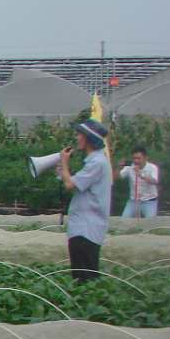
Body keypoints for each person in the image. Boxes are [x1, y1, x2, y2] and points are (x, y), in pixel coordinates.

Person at [60, 119, 112, 282]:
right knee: (82, 277)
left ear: (88, 138)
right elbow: (74, 183)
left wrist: (64, 162)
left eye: (79, 135)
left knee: (85, 279)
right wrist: (63, 170)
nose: (77, 138)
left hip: (86, 230)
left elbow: (70, 184)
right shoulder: (94, 162)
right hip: (83, 228)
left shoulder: (97, 163)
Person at [117, 146, 160, 219]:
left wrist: (141, 175)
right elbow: (118, 177)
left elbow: (154, 181)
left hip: (149, 201)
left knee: (150, 223)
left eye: (138, 158)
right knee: (124, 221)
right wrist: (118, 167)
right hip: (133, 201)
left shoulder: (152, 167)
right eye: (134, 158)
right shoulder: (129, 167)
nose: (136, 161)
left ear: (145, 158)